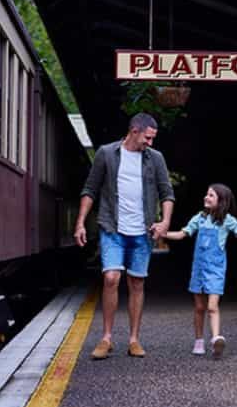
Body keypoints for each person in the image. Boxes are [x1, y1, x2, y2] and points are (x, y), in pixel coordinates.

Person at [74, 113, 175, 360]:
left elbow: (167, 193)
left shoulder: (156, 158)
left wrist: (165, 222)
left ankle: (133, 339)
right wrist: (80, 223)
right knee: (110, 278)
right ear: (134, 131)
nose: (150, 143)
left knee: (137, 282)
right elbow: (90, 189)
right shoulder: (107, 154)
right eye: (147, 138)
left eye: (153, 138)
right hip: (112, 227)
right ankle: (106, 338)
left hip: (143, 230)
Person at [165, 184, 237, 359]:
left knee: (212, 306)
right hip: (199, 269)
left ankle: (216, 338)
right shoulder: (200, 218)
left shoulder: (227, 220)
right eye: (206, 194)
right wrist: (162, 233)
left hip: (216, 270)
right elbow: (182, 234)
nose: (206, 197)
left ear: (221, 201)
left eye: (211, 195)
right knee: (199, 307)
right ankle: (199, 341)